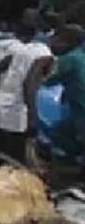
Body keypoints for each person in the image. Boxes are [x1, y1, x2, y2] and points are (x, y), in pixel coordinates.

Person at [0, 12, 54, 163]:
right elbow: (29, 84)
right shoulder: (45, 55)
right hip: (14, 114)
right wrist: (32, 116)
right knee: (12, 162)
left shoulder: (22, 49)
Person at [45, 25, 85, 160]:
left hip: (82, 110)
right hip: (77, 109)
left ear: (65, 42)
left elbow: (47, 80)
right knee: (61, 131)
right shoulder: (80, 56)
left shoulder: (69, 59)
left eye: (55, 39)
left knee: (58, 132)